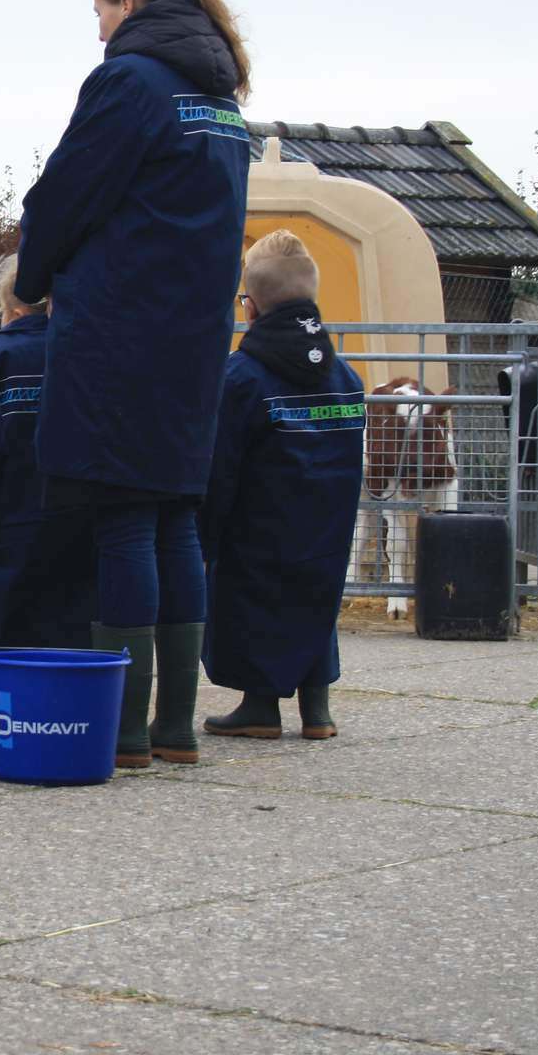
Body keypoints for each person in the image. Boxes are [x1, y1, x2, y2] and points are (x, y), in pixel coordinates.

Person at [14, 0, 252, 770]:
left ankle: (122, 730)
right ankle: (176, 726)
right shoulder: (221, 100)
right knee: (174, 516)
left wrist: (32, 273)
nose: (99, 34)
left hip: (120, 335)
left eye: (101, 13)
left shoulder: (130, 82)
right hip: (194, 342)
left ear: (130, 4)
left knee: (121, 518)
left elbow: (70, 188)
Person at [200, 230, 364, 740]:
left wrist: (205, 534)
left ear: (251, 308)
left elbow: (220, 467)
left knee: (252, 603)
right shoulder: (346, 378)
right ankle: (317, 711)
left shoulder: (242, 378)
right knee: (317, 597)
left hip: (260, 532)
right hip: (329, 528)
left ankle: (260, 706)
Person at [0, 259, 95, 655]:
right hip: (78, 520)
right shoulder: (85, 355)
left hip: (5, 520)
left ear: (10, 309)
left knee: (4, 637)